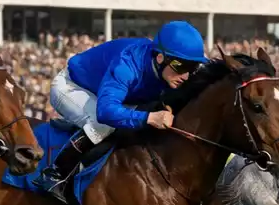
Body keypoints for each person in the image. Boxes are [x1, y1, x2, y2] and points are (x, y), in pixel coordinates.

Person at [38, 20, 208, 196]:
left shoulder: (169, 69)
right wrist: (150, 118)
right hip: (72, 87)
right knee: (103, 124)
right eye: (181, 66)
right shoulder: (128, 64)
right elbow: (106, 112)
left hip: (116, 95)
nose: (186, 76)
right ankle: (55, 173)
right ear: (160, 58)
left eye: (193, 67)